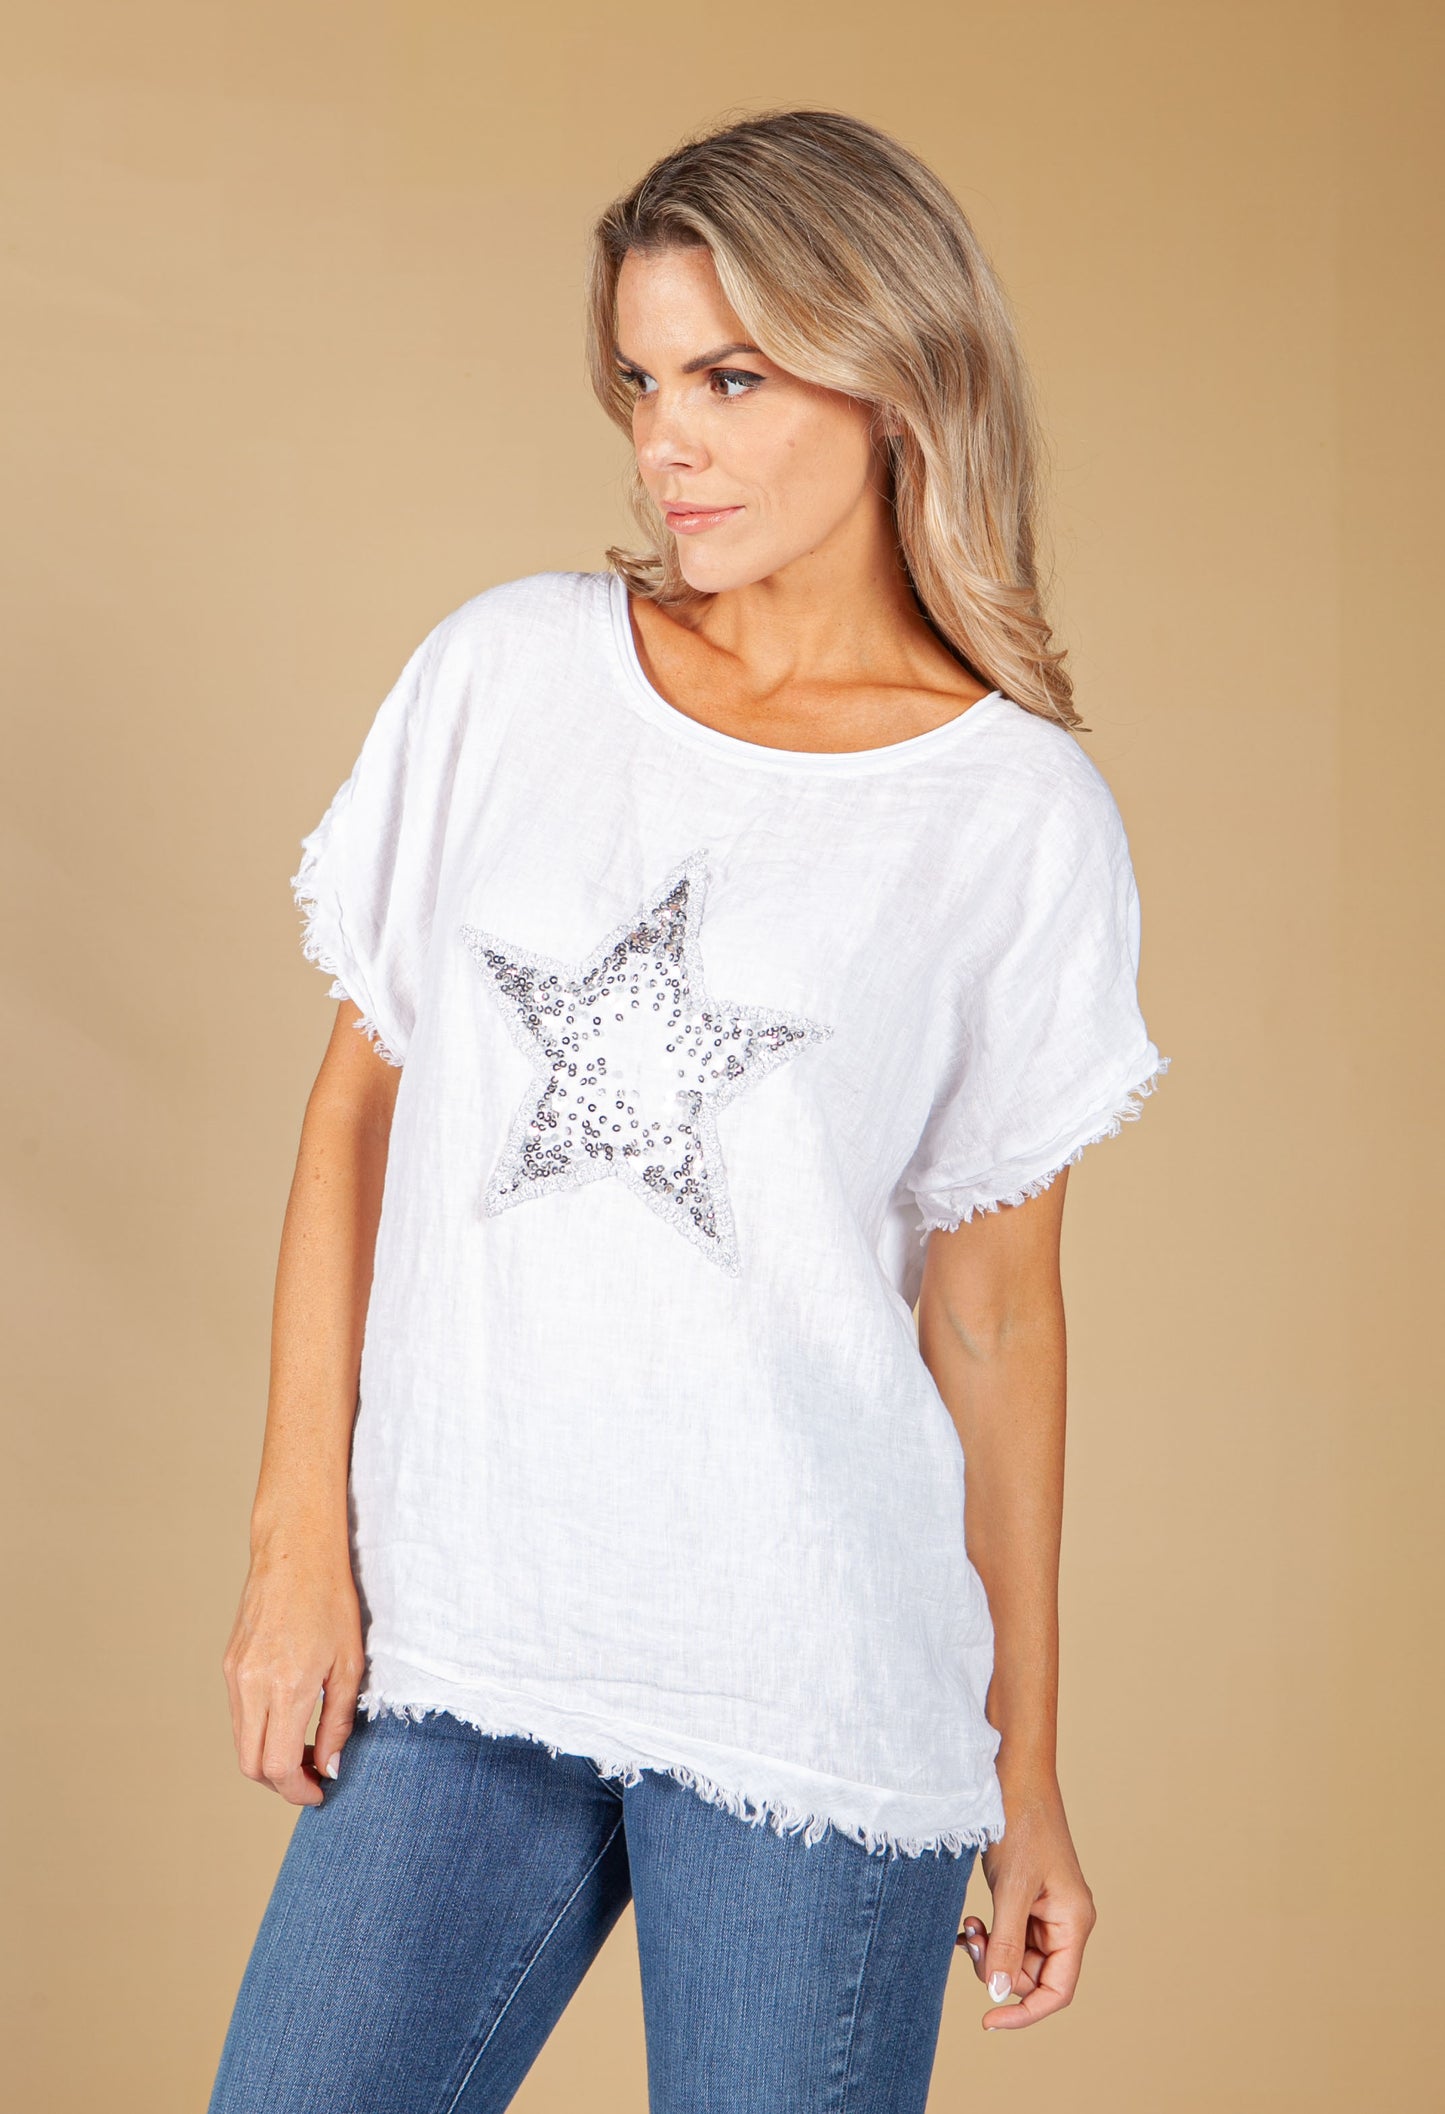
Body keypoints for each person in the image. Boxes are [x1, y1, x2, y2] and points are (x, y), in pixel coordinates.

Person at [208, 108, 1168, 2114]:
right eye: (643, 383)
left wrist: (1025, 1770)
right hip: (461, 1636)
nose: (669, 442)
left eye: (730, 378)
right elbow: (354, 1118)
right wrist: (301, 1537)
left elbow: (995, 1319)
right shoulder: (508, 675)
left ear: (897, 378)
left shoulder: (1013, 816)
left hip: (811, 1682)